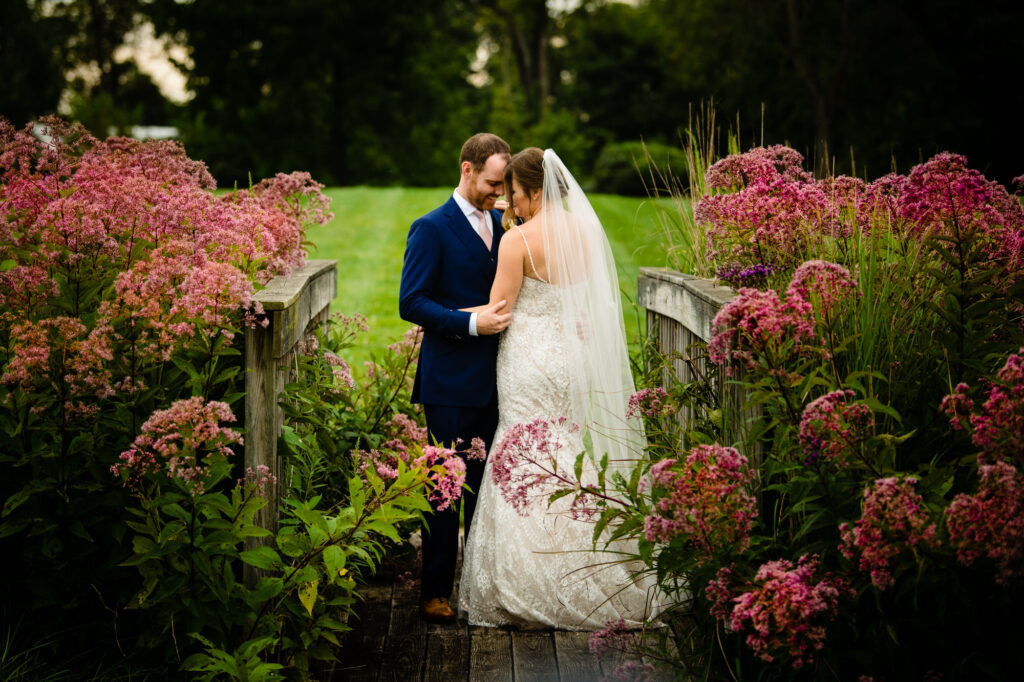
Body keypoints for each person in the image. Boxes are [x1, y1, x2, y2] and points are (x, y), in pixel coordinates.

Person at [458, 148, 662, 629]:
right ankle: (585, 559)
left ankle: (528, 580)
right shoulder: (586, 233)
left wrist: (448, 316)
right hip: (570, 360)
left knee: (521, 446)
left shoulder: (519, 241)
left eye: (514, 194)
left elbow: (498, 311)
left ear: (529, 190)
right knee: (567, 448)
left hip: (528, 361)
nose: (512, 203)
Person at [398, 133, 512, 624]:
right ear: (467, 169)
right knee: (446, 488)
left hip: (502, 378)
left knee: (489, 489)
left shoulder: (505, 224)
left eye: (504, 183)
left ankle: (483, 585)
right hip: (449, 381)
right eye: (491, 182)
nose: (498, 192)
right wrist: (471, 321)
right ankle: (434, 592)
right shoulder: (431, 227)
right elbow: (411, 301)